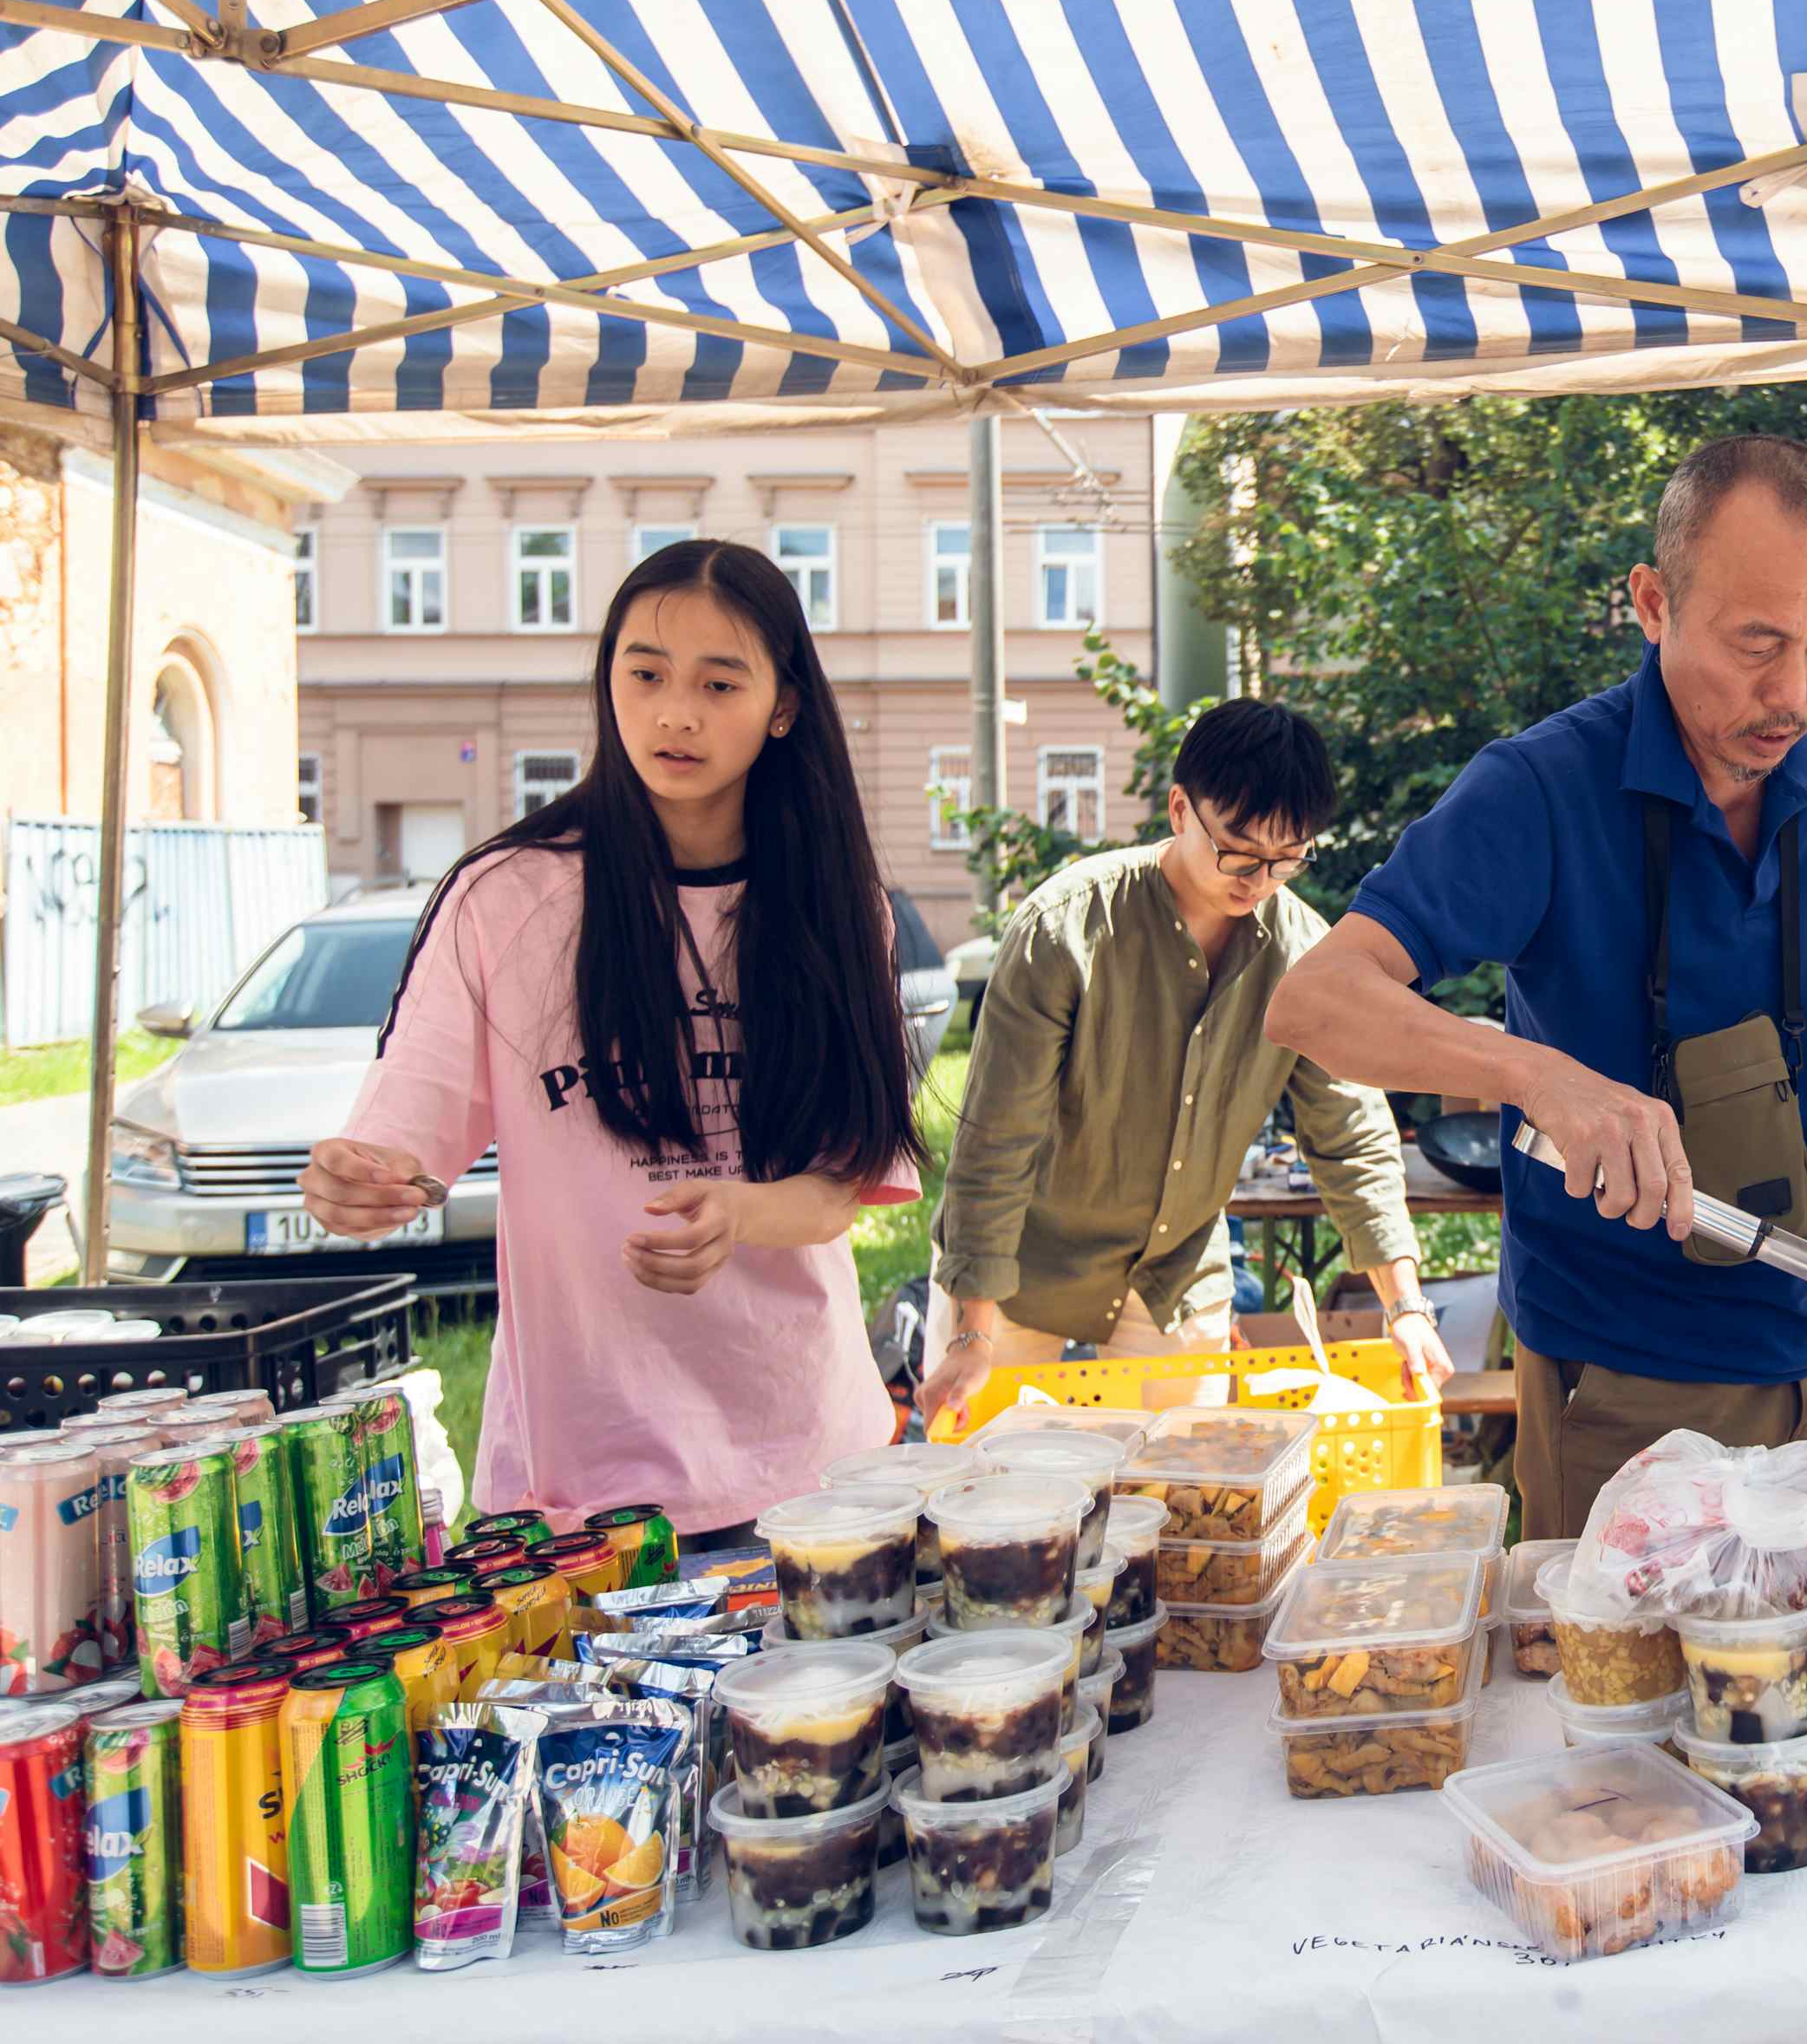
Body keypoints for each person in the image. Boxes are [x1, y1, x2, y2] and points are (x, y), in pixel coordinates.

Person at [1266, 434, 1807, 1541]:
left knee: (1804, 1700)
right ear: (1653, 602)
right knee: (1609, 1707)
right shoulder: (1540, 787)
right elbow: (1319, 1000)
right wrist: (1535, 1077)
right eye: (1757, 643)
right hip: (1622, 1385)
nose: (1795, 694)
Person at [297, 541, 923, 1543]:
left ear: (782, 705)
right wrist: (357, 1186)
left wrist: (741, 1211)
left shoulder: (839, 907)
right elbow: (401, 1150)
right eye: (646, 674)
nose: (676, 712)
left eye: (720, 683)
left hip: (812, 1466)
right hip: (578, 1489)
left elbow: (841, 1187)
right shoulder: (502, 899)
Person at [916, 701, 1448, 1429]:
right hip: (1020, 1261)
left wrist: (1406, 1308)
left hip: (1175, 1271)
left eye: (1287, 856)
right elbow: (996, 1138)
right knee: (1001, 1496)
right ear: (1178, 809)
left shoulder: (1304, 955)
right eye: (1237, 849)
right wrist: (972, 1329)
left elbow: (1350, 1135)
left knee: (1183, 1504)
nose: (1259, 878)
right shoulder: (1065, 929)